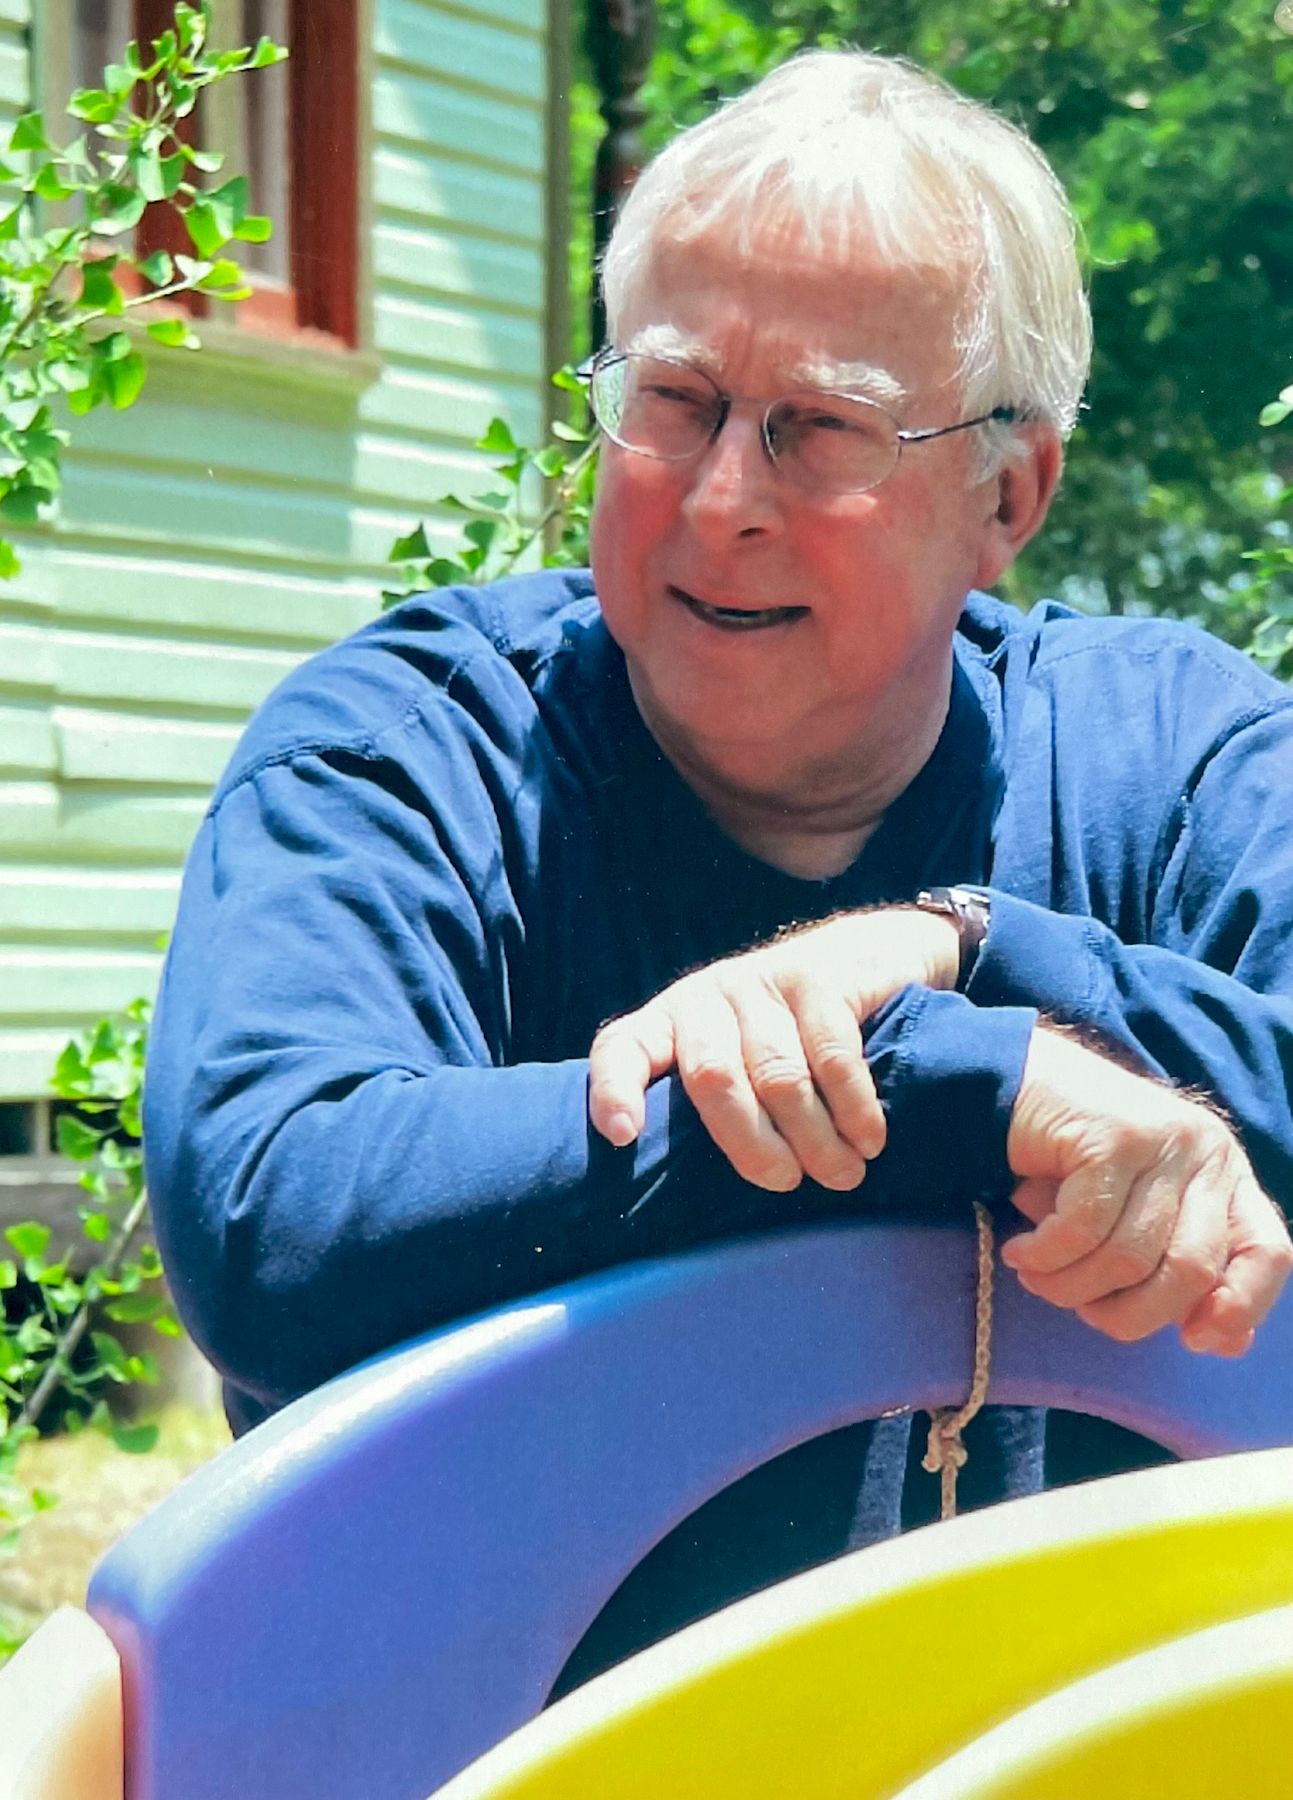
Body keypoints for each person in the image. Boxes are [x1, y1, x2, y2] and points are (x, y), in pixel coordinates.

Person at [145, 49, 1291, 1674]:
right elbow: (272, 1215)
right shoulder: (410, 747)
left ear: (1008, 493)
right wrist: (958, 1084)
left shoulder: (1168, 755)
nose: (722, 495)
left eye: (820, 428)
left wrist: (971, 946)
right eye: (671, 402)